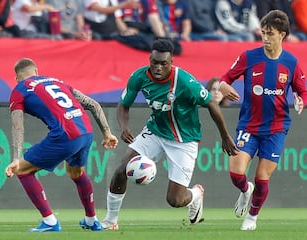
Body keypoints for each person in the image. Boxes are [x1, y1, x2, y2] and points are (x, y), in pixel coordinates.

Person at [100, 38, 238, 230]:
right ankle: (110, 221)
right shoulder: (139, 77)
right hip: (155, 131)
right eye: (154, 62)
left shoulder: (185, 82)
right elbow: (123, 104)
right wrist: (124, 126)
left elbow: (212, 105)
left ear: (171, 62)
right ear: (150, 58)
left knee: (175, 200)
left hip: (184, 140)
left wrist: (225, 136)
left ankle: (196, 194)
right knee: (121, 170)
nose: (158, 67)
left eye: (163, 64)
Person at [218, 10, 307, 230]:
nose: (265, 37)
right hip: (248, 126)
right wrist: (223, 86)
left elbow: (303, 91)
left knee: (262, 177)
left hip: (276, 129)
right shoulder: (249, 57)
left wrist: (301, 102)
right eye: (263, 33)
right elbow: (225, 78)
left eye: (270, 33)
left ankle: (252, 217)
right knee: (236, 173)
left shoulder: (291, 63)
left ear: (283, 35)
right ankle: (244, 190)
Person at [5, 58, 118, 232]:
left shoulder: (19, 90)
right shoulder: (57, 81)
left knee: (22, 169)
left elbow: (17, 125)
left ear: (16, 78)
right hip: (86, 132)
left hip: (65, 135)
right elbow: (93, 104)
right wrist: (107, 133)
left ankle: (50, 222)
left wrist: (15, 158)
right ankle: (91, 220)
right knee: (76, 172)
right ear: (36, 71)